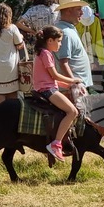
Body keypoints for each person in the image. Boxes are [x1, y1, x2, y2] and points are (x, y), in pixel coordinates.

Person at [33, 26, 81, 162]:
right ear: (50, 40)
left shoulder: (42, 53)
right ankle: (56, 144)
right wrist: (72, 80)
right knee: (72, 112)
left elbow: (50, 79)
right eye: (58, 41)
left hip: (46, 88)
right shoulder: (46, 54)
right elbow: (54, 75)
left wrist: (69, 85)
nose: (60, 44)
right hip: (47, 91)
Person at [55, 0, 94, 93]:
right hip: (74, 89)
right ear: (68, 11)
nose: (82, 13)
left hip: (76, 86)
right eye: (78, 9)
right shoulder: (66, 33)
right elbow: (63, 63)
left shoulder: (68, 29)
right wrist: (75, 84)